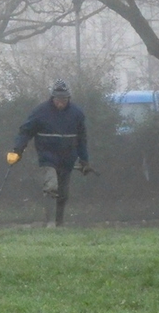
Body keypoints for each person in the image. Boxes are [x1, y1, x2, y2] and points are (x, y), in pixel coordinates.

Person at [7, 79, 95, 227]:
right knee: (51, 186)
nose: (61, 103)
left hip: (68, 158)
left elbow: (82, 139)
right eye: (58, 99)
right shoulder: (40, 112)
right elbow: (25, 131)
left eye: (64, 100)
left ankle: (59, 223)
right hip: (47, 156)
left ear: (68, 99)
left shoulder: (77, 114)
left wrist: (84, 160)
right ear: (53, 98)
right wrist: (18, 150)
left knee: (63, 193)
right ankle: (50, 222)